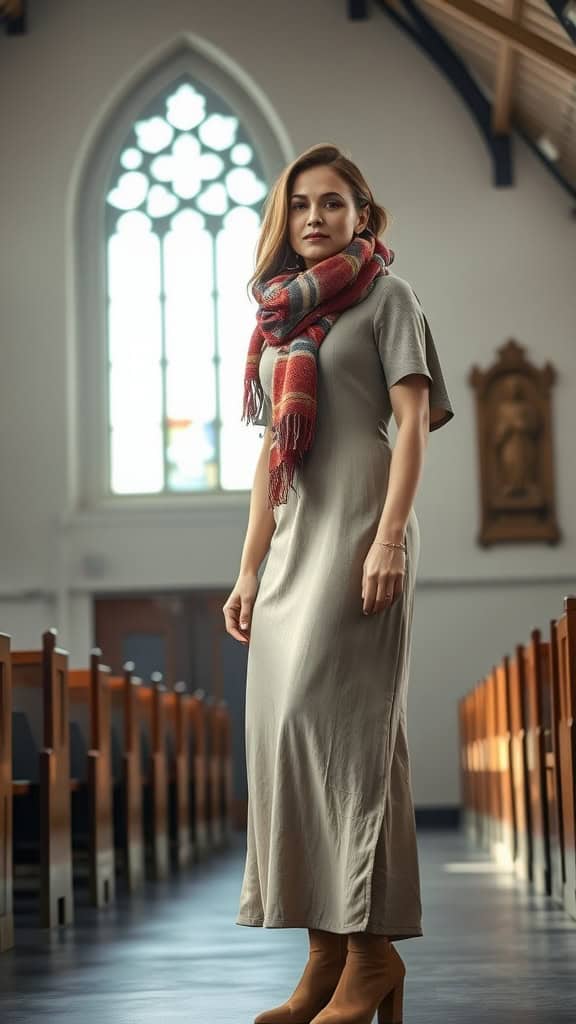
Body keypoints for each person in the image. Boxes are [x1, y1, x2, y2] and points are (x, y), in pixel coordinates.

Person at [222, 143, 454, 1024]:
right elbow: (267, 463)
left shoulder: (390, 297)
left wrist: (389, 538)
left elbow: (413, 425)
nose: (315, 217)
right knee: (286, 735)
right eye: (302, 205)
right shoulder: (280, 323)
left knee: (351, 738)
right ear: (286, 221)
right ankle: (325, 954)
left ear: (364, 214)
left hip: (361, 526)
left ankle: (371, 954)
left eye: (334, 203)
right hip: (293, 542)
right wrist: (248, 567)